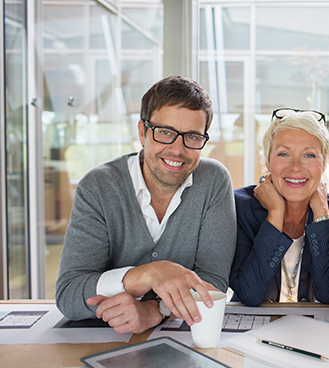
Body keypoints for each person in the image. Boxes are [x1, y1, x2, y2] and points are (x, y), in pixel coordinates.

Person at [55, 76, 236, 334]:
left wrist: (155, 310)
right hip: (104, 335)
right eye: (165, 132)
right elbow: (69, 294)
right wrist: (146, 275)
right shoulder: (98, 187)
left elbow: (213, 283)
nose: (177, 149)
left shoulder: (213, 181)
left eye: (193, 137)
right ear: (142, 131)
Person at [230, 108, 329, 306]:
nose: (295, 166)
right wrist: (276, 213)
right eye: (284, 154)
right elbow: (248, 295)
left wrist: (322, 214)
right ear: (268, 162)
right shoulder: (238, 207)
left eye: (309, 155)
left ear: (324, 163)